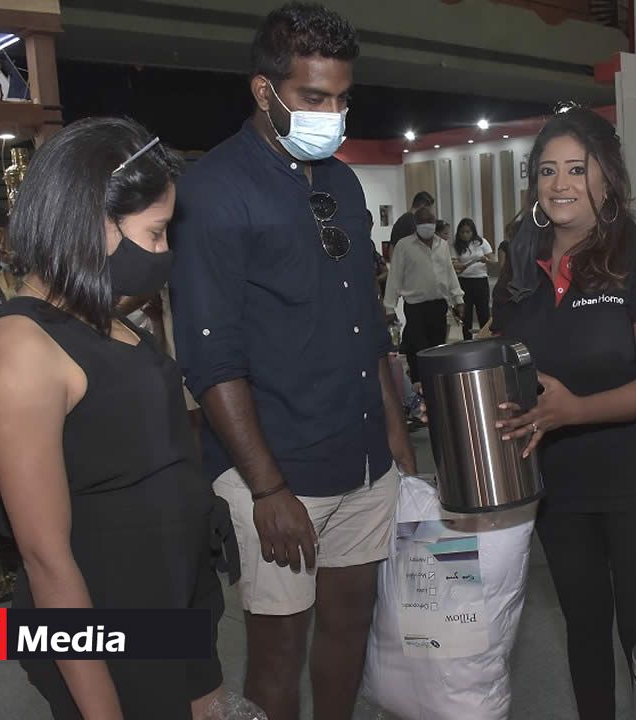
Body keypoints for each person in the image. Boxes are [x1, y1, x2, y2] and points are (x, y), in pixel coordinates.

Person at [167, 5, 418, 719]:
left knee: (349, 630)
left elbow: (366, 326)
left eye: (341, 97)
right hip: (279, 473)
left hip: (363, 455)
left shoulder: (338, 182)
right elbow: (210, 359)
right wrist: (268, 488)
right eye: (313, 98)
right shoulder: (213, 191)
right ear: (263, 91)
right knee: (278, 655)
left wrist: (396, 434)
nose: (331, 113)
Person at [0, 117, 227, 719]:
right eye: (156, 233)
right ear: (92, 222)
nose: (163, 252)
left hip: (174, 600)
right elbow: (46, 560)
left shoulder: (104, 315)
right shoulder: (22, 347)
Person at [492, 106, 636, 720]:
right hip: (558, 482)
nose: (559, 184)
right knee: (582, 625)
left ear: (608, 177)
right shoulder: (520, 263)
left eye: (577, 169)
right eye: (547, 171)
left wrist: (573, 410)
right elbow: (506, 360)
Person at [382, 204, 465, 380]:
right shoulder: (404, 246)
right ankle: (419, 384)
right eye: (423, 221)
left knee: (437, 348)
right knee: (419, 349)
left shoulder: (442, 245)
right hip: (415, 308)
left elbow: (449, 273)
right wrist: (389, 308)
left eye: (430, 221)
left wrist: (458, 299)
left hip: (438, 305)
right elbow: (394, 277)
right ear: (416, 224)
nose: (427, 224)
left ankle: (436, 382)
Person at [451, 217, 497, 340]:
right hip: (464, 282)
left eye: (468, 232)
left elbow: (494, 260)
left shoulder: (481, 242)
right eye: (462, 232)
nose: (465, 235)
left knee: (483, 313)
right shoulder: (456, 245)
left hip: (480, 281)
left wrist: (486, 260)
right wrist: (459, 266)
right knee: (466, 315)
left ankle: (485, 339)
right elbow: (454, 264)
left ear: (473, 232)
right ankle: (467, 340)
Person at [389, 190, 434, 255]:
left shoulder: (402, 219)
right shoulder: (412, 221)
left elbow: (392, 246)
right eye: (428, 209)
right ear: (422, 206)